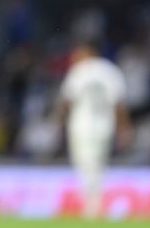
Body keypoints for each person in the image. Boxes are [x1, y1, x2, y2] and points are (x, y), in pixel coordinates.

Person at [56, 43, 131, 218]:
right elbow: (119, 104)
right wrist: (124, 128)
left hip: (81, 125)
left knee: (84, 164)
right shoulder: (110, 71)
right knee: (98, 165)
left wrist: (58, 122)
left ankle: (91, 206)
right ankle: (95, 203)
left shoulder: (79, 71)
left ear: (87, 52)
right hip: (105, 125)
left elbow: (66, 100)